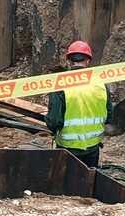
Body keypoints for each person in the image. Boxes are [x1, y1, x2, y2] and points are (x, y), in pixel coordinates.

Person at [46, 40, 112, 168]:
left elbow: (54, 121)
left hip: (67, 148)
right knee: (88, 178)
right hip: (93, 147)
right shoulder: (100, 83)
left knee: (67, 178)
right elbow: (109, 115)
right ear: (88, 61)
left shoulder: (60, 84)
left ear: (69, 61)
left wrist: (53, 128)